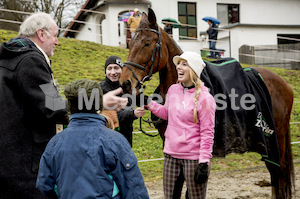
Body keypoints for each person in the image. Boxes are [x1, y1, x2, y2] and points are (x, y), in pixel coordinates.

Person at [0, 12, 127, 199]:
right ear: (41, 34)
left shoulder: (9, 59)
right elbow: (53, 106)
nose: (57, 42)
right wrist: (97, 102)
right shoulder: (31, 60)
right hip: (27, 166)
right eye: (55, 35)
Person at [36, 79, 149, 199]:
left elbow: (44, 185)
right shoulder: (115, 141)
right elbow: (135, 190)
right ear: (99, 104)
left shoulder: (55, 143)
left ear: (69, 106)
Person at [144, 52, 216, 199]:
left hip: (194, 159)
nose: (178, 67)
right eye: (178, 64)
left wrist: (204, 162)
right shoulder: (173, 90)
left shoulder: (205, 98)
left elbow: (207, 132)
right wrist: (148, 103)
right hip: (171, 155)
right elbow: (167, 113)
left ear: (194, 70)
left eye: (184, 64)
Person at [100, 55, 145, 146]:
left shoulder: (127, 87)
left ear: (122, 70)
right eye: (109, 68)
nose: (113, 72)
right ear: (105, 71)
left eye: (116, 68)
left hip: (126, 139)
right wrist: (133, 114)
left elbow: (142, 100)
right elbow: (111, 115)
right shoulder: (99, 89)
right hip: (106, 139)